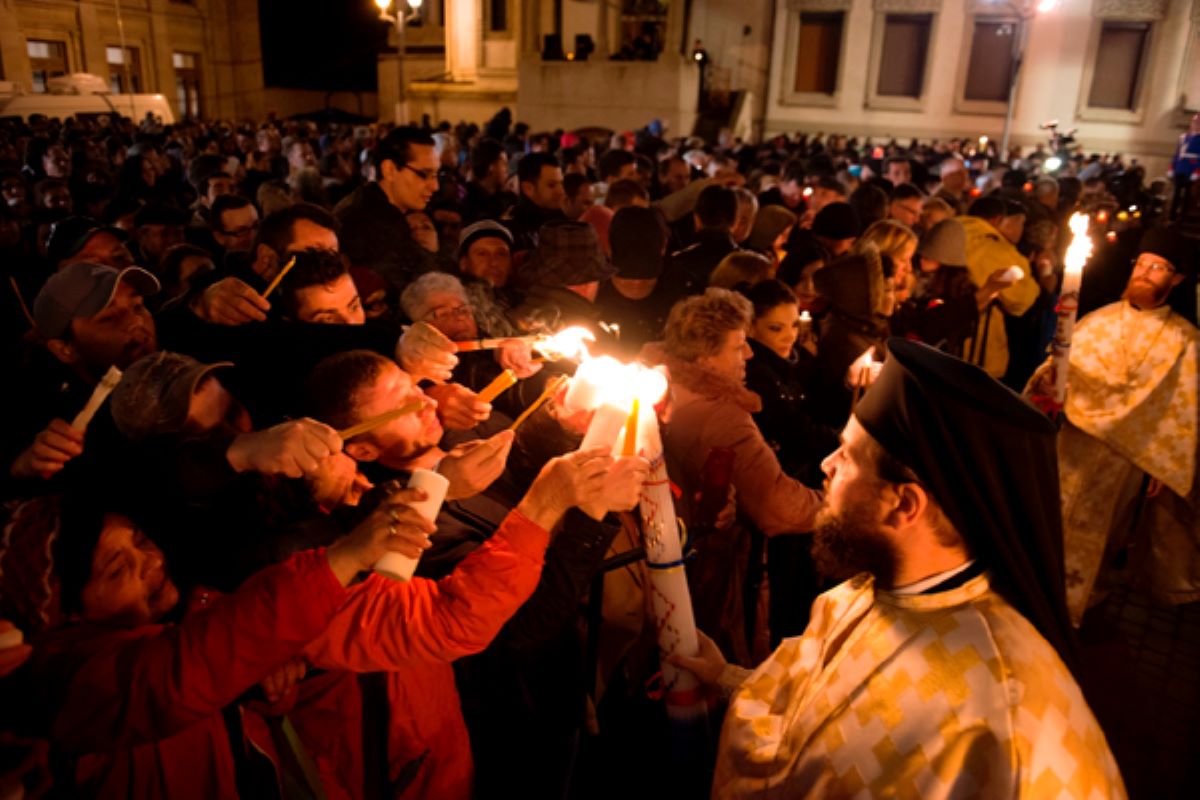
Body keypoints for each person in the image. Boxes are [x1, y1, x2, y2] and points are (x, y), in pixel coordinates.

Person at [675, 339, 1126, 799]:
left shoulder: (1013, 715)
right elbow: (809, 719)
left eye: (847, 456)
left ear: (905, 504)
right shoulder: (858, 595)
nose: (827, 465)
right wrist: (725, 677)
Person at [645, 288, 823, 664]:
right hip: (713, 573)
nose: (750, 354)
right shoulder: (721, 417)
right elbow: (779, 507)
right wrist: (837, 502)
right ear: (705, 355)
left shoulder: (662, 389)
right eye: (738, 346)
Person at [1029, 228, 1198, 626]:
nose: (1145, 273)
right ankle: (1034, 592)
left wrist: (1161, 466)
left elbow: (1182, 408)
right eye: (1142, 264)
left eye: (1158, 267)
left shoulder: (1186, 341)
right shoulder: (1097, 320)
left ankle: (1079, 606)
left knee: (1102, 532)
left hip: (1125, 458)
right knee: (1051, 518)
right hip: (1073, 445)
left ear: (1176, 279)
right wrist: (1047, 384)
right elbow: (1059, 369)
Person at [335, 126, 440, 290]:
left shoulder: (386, 209)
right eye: (423, 174)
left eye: (435, 175)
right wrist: (430, 253)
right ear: (389, 170)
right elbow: (417, 288)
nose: (435, 186)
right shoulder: (364, 222)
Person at [959, 196, 1040, 378]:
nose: (1021, 230)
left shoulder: (951, 232)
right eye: (1020, 223)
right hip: (975, 349)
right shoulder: (992, 247)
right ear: (999, 220)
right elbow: (1021, 300)